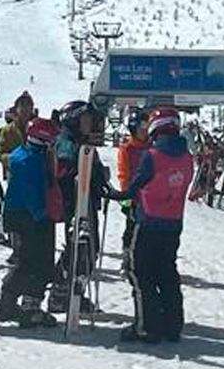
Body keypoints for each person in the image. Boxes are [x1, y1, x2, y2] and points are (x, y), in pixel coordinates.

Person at [103, 107, 194, 344]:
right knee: (166, 273)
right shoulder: (187, 157)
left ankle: (147, 326)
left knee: (141, 274)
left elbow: (132, 189)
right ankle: (172, 325)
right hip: (174, 224)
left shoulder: (152, 156)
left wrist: (108, 192)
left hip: (149, 222)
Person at [0, 116, 61, 328]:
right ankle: (9, 301)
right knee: (28, 260)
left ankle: (30, 303)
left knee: (37, 261)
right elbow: (30, 191)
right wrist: (41, 213)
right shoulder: (30, 160)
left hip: (26, 214)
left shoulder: (26, 155)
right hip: (27, 216)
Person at [49, 99, 104, 314]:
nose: (88, 124)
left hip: (86, 201)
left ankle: (75, 293)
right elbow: (63, 171)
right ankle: (60, 293)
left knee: (89, 249)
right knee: (79, 248)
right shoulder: (66, 142)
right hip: (74, 203)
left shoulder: (83, 143)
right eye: (84, 119)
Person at [114, 107, 149, 279]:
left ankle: (145, 260)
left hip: (151, 197)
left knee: (148, 230)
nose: (145, 132)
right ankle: (127, 259)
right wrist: (126, 196)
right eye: (142, 128)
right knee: (131, 228)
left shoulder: (152, 147)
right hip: (134, 197)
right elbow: (124, 173)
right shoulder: (128, 149)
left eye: (147, 128)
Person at [0, 91, 34, 180]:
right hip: (14, 175)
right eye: (22, 105)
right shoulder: (8, 130)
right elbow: (0, 154)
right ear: (16, 108)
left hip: (34, 175)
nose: (25, 109)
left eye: (28, 106)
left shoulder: (36, 128)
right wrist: (12, 159)